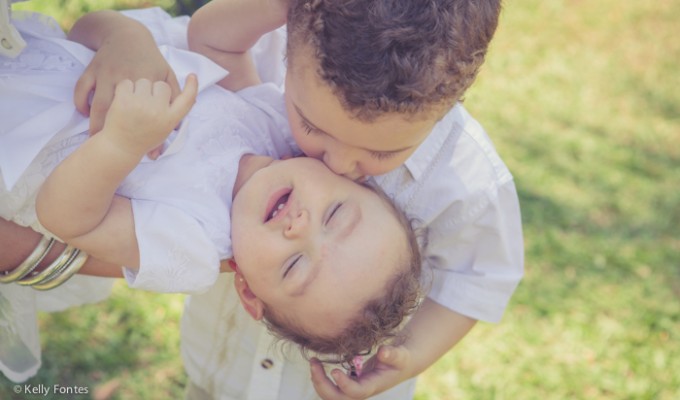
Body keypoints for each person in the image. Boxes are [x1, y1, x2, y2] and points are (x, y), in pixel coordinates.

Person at [10, 0, 525, 397]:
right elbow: (211, 38)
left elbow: (478, 278)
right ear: (291, 49)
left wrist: (408, 356)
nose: (340, 166)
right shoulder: (265, 115)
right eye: (313, 126)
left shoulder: (467, 176)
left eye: (380, 151)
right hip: (217, 364)